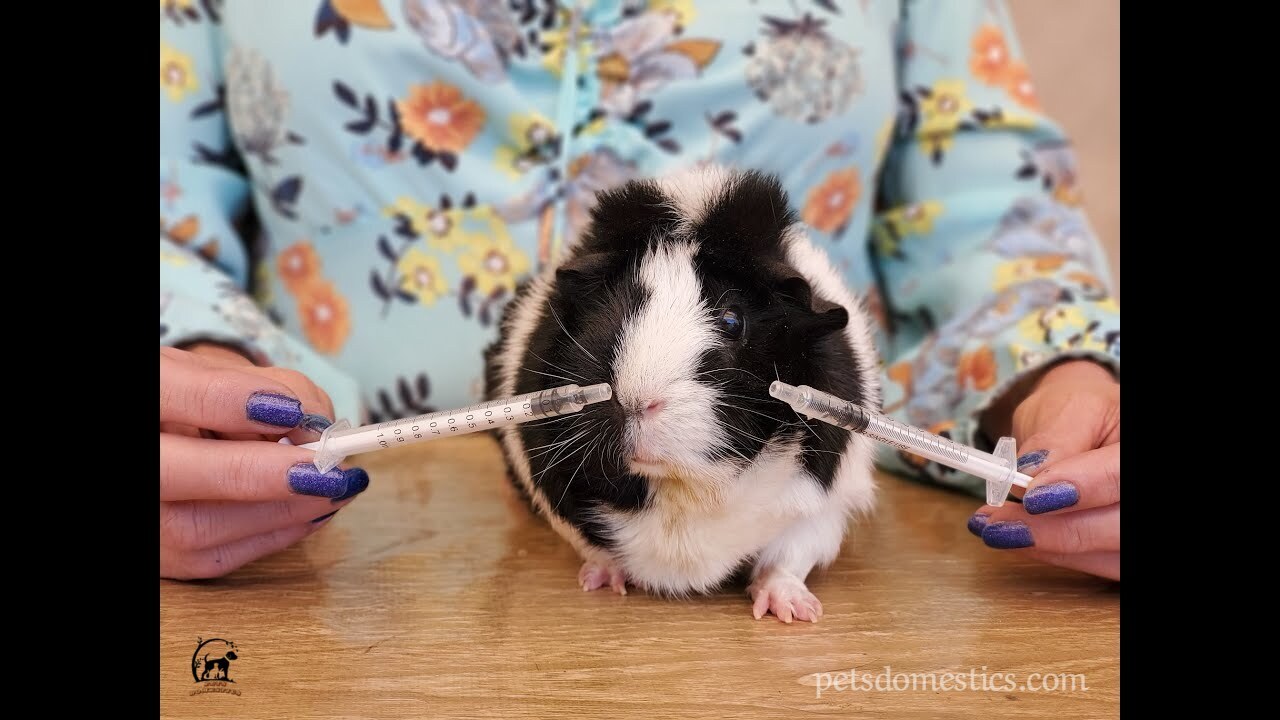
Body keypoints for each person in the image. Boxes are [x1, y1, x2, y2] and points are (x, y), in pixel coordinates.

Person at [160, 0, 1119, 581]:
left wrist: (1066, 378)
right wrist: (197, 368)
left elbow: (995, 211)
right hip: (328, 557)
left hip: (851, 582)